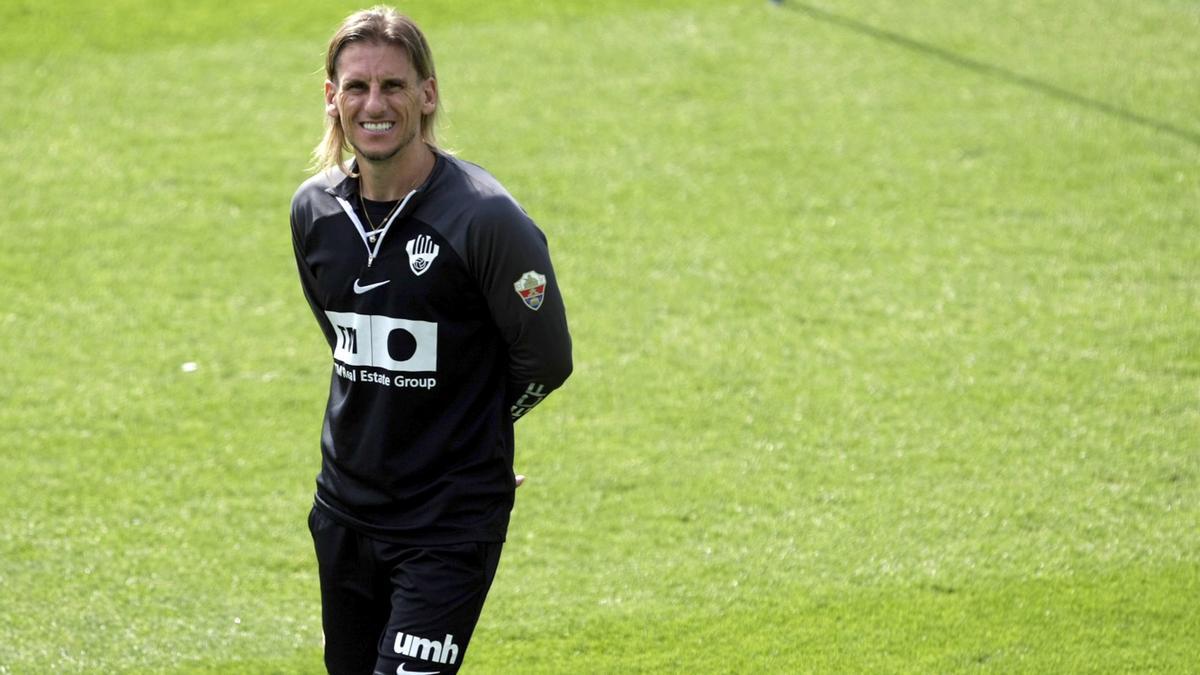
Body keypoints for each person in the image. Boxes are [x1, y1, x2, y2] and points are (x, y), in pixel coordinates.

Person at [289, 7, 572, 674]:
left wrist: (474, 434)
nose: (374, 104)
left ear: (427, 94)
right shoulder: (314, 211)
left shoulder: (485, 218)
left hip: (445, 527)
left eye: (393, 85)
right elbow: (346, 340)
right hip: (343, 514)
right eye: (357, 86)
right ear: (332, 97)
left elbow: (546, 360)